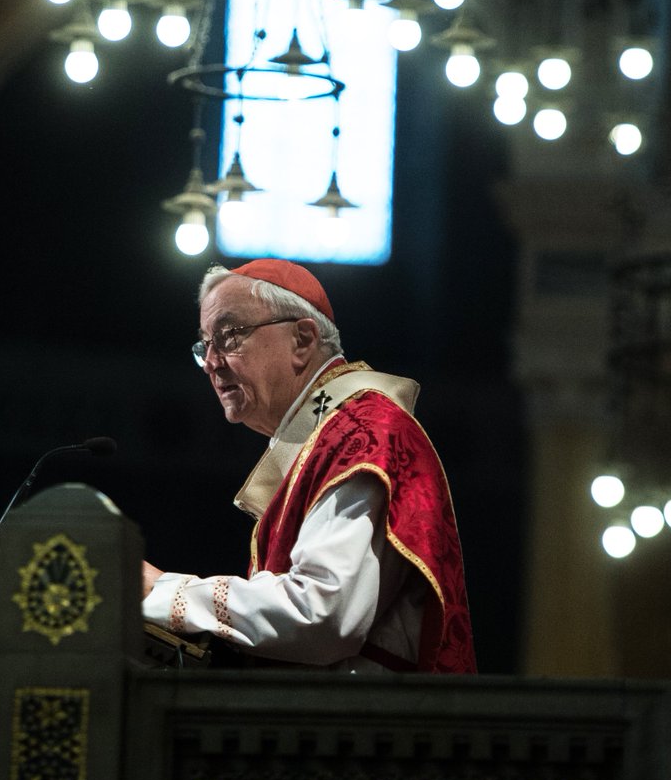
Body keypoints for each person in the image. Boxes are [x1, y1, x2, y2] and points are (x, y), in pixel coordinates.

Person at [141, 258, 475, 673]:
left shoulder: (365, 434)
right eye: (204, 345)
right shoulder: (328, 439)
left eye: (229, 336)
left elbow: (323, 614)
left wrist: (166, 593)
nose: (211, 362)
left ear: (302, 339)